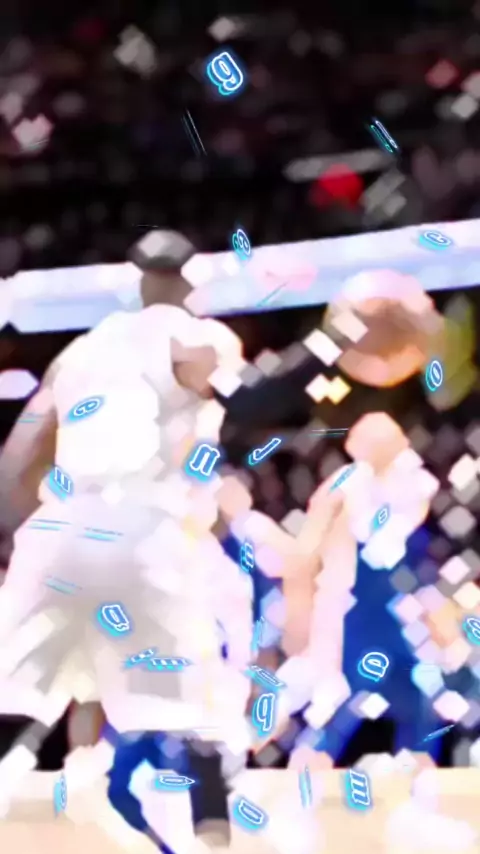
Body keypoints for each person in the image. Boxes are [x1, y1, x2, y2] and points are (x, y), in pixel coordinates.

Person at [0, 230, 348, 849]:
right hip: (143, 529)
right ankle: (209, 840)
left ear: (135, 279)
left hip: (58, 530)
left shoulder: (81, 349)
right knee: (200, 716)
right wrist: (330, 342)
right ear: (192, 279)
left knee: (15, 697)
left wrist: (29, 534)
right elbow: (252, 401)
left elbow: (18, 458)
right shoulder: (196, 335)